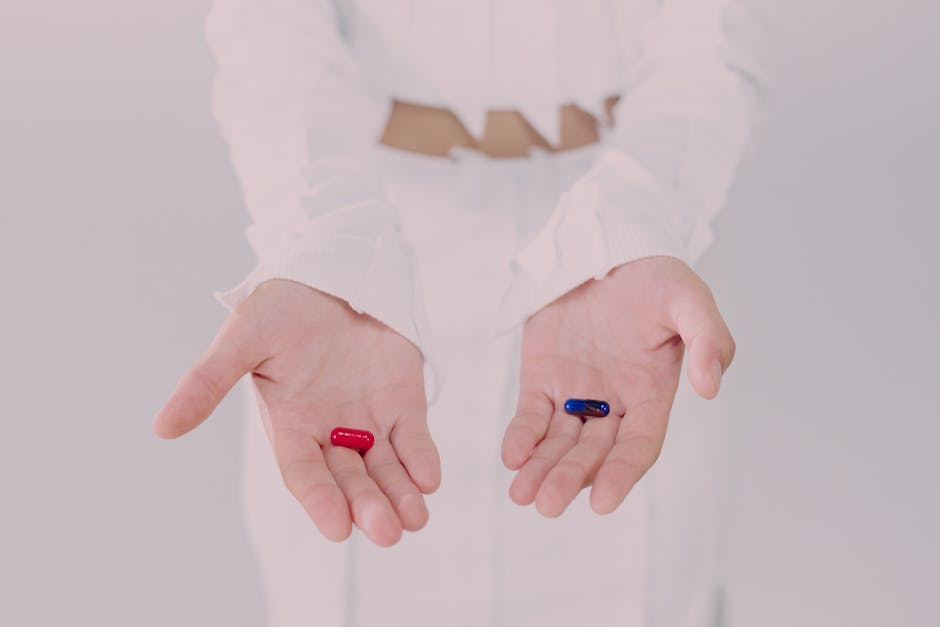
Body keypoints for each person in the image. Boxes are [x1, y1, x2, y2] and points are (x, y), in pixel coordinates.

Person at [153, 0, 773, 625]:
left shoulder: (631, 260)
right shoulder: (337, 280)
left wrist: (635, 220)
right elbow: (269, 32)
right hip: (360, 254)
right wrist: (324, 242)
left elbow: (712, 33)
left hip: (628, 258)